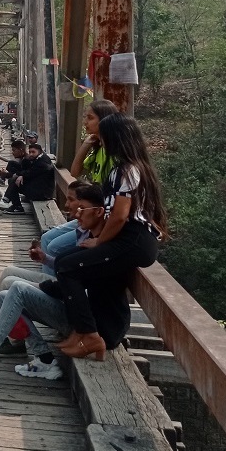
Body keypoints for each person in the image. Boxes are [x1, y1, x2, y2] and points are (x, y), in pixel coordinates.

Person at [0, 184, 110, 379]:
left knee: (17, 289)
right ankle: (44, 358)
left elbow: (76, 287)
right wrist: (45, 260)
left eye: (80, 207)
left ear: (99, 212)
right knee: (7, 294)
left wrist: (40, 288)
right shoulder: (88, 235)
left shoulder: (98, 247)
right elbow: (69, 276)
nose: (73, 211)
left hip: (82, 321)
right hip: (70, 305)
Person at [48, 115, 168, 360]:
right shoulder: (128, 167)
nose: (99, 140)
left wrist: (99, 241)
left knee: (68, 266)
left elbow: (121, 214)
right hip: (129, 239)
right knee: (72, 262)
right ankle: (88, 333)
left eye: (103, 136)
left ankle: (89, 335)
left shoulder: (127, 170)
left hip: (133, 240)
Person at [42, 100, 121, 261]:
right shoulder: (98, 148)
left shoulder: (115, 154)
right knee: (46, 239)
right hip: (92, 214)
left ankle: (55, 283)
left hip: (100, 217)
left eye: (90, 118)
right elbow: (75, 171)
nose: (85, 122)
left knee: (54, 247)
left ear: (105, 120)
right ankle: (49, 282)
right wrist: (86, 144)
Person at [0, 143, 56, 214]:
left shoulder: (43, 162)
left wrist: (19, 175)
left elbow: (31, 172)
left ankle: (11, 203)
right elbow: (30, 171)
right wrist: (21, 175)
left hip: (42, 193)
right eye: (30, 152)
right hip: (38, 187)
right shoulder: (39, 158)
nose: (31, 154)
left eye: (33, 152)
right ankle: (12, 204)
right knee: (13, 179)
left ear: (40, 152)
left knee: (13, 181)